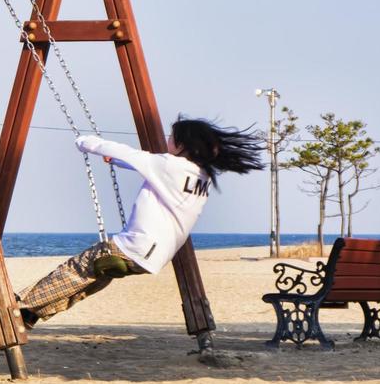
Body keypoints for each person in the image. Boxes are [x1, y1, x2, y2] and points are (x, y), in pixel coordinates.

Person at [16, 118, 264, 327]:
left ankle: (20, 304)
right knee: (94, 279)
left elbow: (129, 154)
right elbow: (142, 164)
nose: (167, 140)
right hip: (154, 257)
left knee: (75, 269)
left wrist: (85, 143)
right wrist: (115, 162)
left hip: (134, 245)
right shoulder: (202, 176)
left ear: (182, 144)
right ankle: (32, 314)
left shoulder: (169, 165)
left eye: (171, 137)